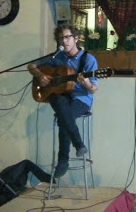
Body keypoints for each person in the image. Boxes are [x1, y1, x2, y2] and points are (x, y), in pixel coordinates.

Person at [28, 24, 98, 178]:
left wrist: (85, 82)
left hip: (81, 98)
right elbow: (31, 65)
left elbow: (93, 89)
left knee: (64, 117)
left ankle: (63, 159)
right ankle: (78, 143)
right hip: (62, 96)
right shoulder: (57, 57)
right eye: (61, 38)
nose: (64, 41)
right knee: (59, 103)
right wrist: (40, 76)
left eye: (67, 37)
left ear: (76, 39)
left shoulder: (88, 59)